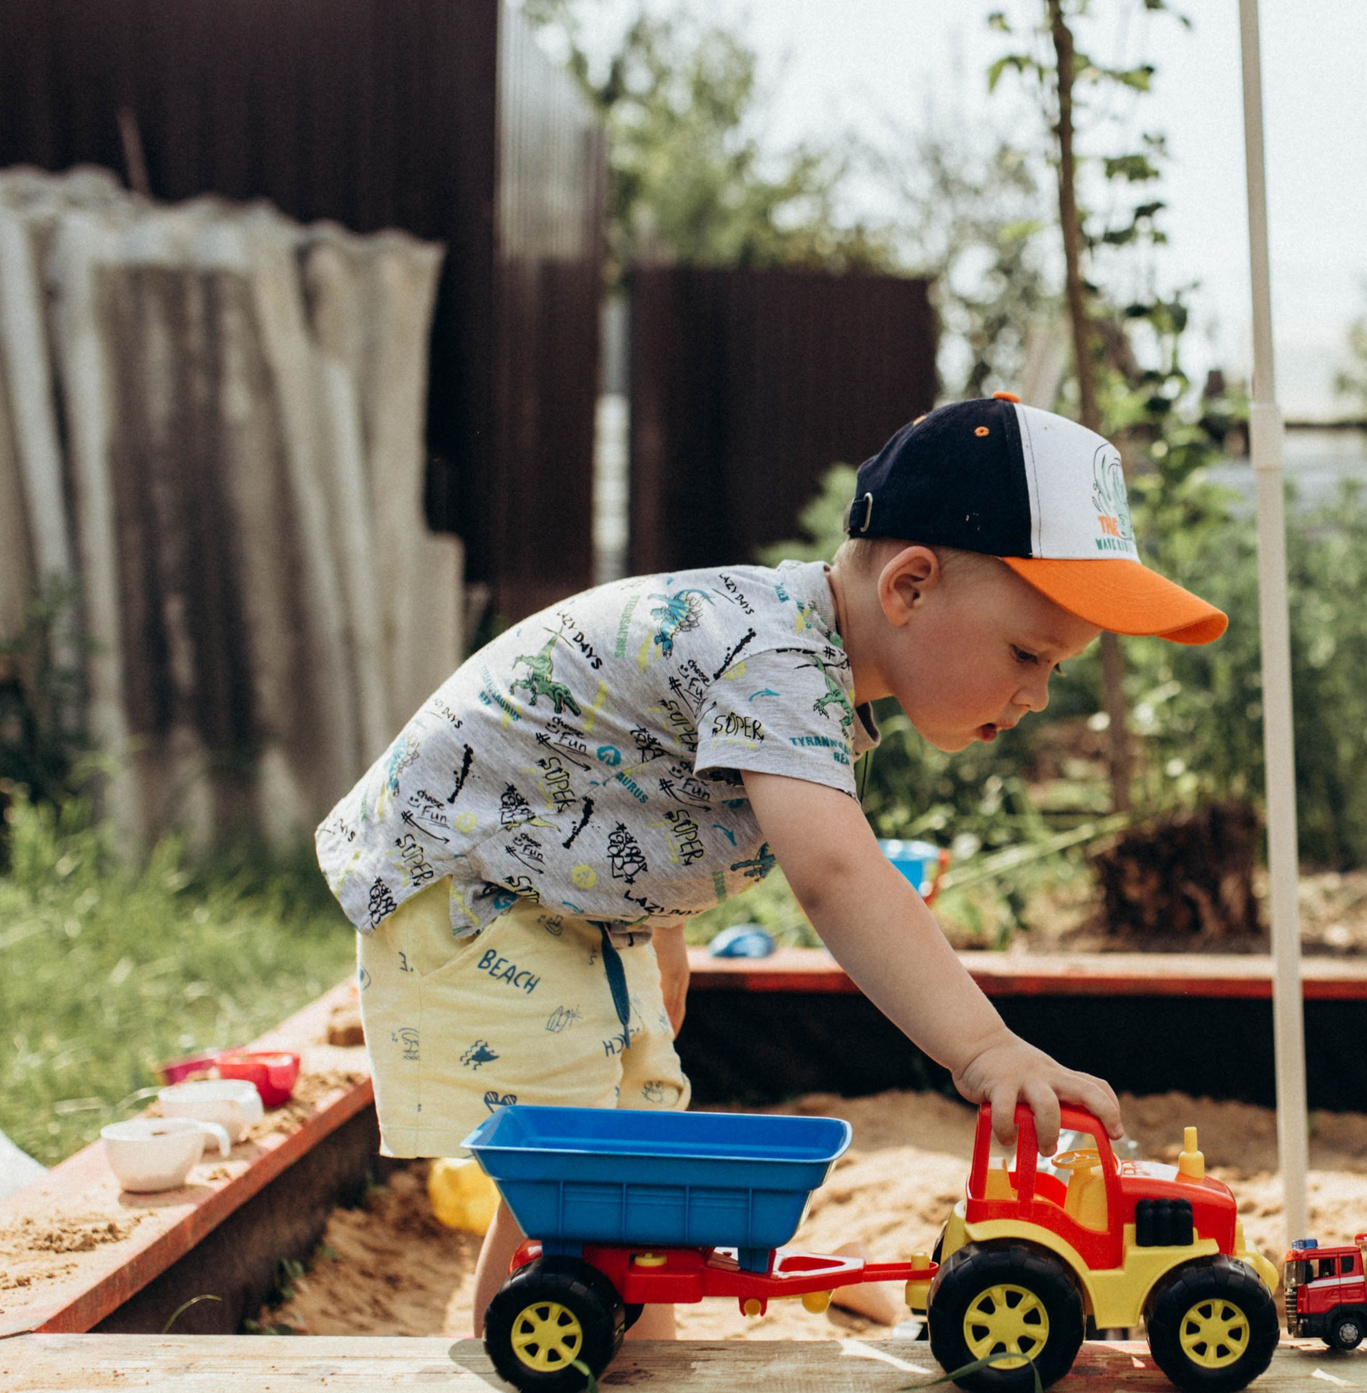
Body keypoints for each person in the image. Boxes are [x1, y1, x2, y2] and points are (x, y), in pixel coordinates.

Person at [317, 395, 1226, 1335]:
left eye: (1057, 668)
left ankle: (614, 1350)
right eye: (1027, 652)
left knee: (631, 1133)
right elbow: (835, 872)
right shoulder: (783, 659)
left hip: (554, 894)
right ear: (910, 586)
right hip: (471, 881)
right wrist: (987, 1049)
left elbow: (625, 756)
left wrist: (659, 925)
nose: (1037, 695)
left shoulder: (793, 647)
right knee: (575, 1165)